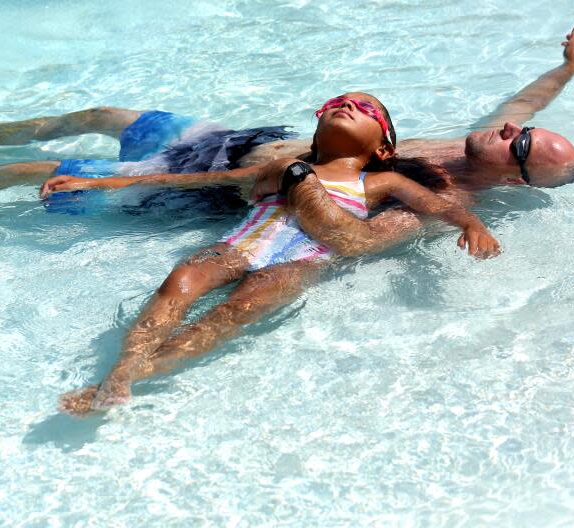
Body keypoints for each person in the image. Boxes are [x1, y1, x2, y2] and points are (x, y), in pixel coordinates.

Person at [56, 92, 500, 415]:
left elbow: (436, 204)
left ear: (383, 148)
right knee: (182, 279)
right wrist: (100, 184)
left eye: (366, 109)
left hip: (298, 262)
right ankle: (121, 369)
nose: (348, 106)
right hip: (239, 244)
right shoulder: (277, 167)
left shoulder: (377, 183)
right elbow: (202, 180)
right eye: (337, 102)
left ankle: (127, 379)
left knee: (231, 313)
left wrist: (472, 224)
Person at [0, 27, 574, 199]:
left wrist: (115, 190)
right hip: (222, 140)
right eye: (513, 127)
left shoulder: (441, 192)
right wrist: (569, 65)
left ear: (519, 175)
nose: (507, 125)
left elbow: (318, 213)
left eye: (518, 140)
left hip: (195, 185)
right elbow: (521, 100)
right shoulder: (474, 144)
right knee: (104, 109)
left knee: (41, 173)